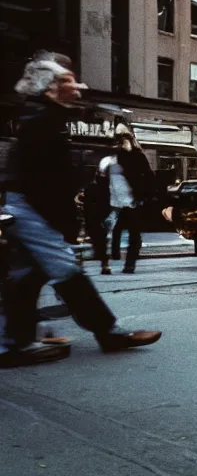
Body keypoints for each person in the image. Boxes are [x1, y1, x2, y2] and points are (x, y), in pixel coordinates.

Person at [0, 51, 161, 368]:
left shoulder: (43, 117)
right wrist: (62, 225)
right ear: (50, 89)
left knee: (26, 276)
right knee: (68, 271)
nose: (78, 86)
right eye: (68, 80)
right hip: (33, 210)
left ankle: (13, 341)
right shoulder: (44, 121)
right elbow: (45, 182)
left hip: (27, 207)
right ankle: (109, 333)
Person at [100, 125, 154, 274]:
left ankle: (124, 263)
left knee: (127, 234)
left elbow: (148, 178)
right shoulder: (113, 157)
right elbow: (102, 179)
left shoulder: (131, 156)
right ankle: (111, 262)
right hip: (117, 203)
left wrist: (141, 197)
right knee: (114, 233)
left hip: (128, 203)